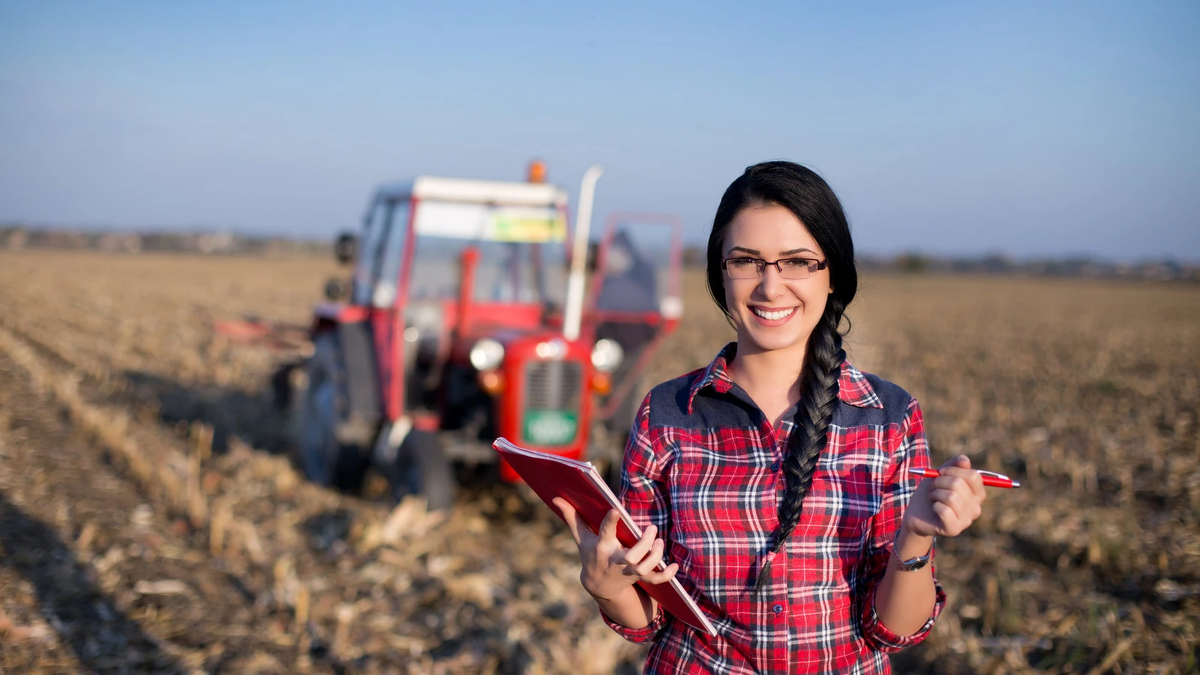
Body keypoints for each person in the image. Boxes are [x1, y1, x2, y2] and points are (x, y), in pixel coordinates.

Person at [554, 161, 987, 673]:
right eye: (746, 261)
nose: (770, 286)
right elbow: (651, 618)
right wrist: (609, 586)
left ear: (833, 275)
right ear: (720, 272)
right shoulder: (666, 415)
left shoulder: (888, 419)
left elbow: (894, 630)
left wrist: (915, 535)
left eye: (798, 261)